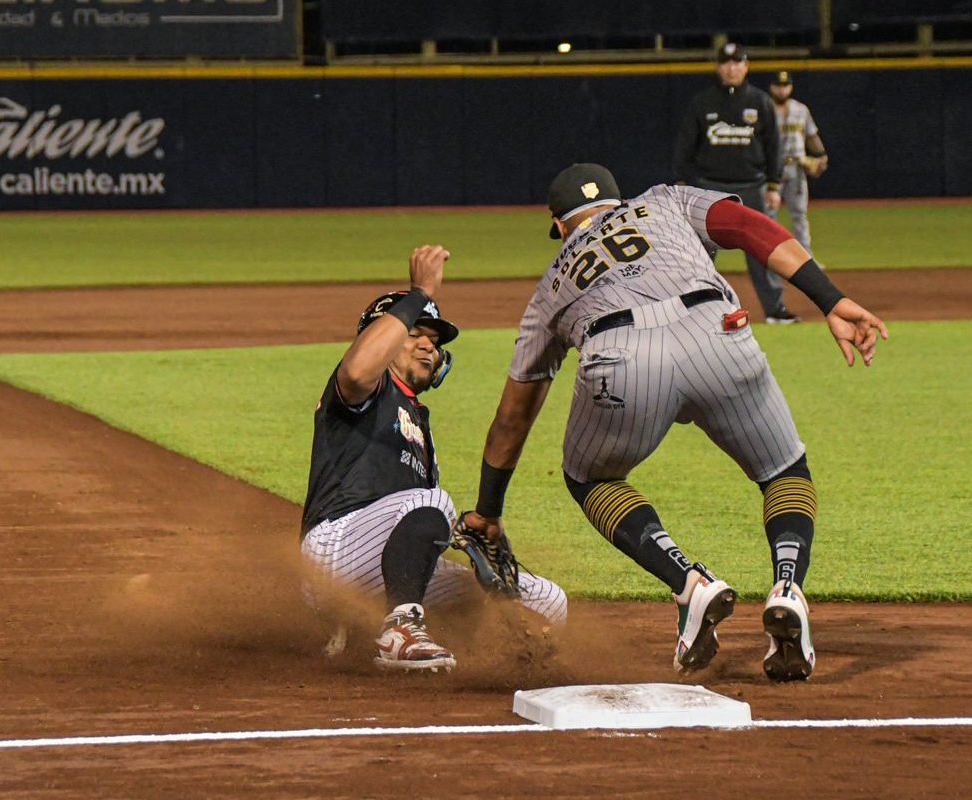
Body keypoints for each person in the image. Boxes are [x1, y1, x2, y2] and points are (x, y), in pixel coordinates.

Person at [461, 164, 887, 682]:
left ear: (559, 225)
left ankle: (690, 583)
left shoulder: (552, 284)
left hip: (618, 358)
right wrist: (830, 299)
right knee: (782, 470)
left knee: (589, 478)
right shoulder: (665, 200)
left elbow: (513, 416)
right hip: (717, 332)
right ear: (617, 202)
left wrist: (487, 509)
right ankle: (787, 587)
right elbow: (750, 228)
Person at [299, 245, 567, 673]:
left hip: (380, 561)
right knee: (430, 501)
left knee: (546, 599)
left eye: (435, 341)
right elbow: (355, 372)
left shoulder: (419, 423)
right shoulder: (362, 391)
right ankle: (400, 630)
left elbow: (418, 530)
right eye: (415, 334)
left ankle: (426, 639)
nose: (428, 345)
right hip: (333, 550)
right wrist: (420, 291)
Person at [674, 41, 794, 324]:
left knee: (761, 252)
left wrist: (774, 185)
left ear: (746, 66)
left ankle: (775, 309)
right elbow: (686, 145)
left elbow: (773, 147)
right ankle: (691, 312)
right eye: (726, 63)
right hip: (709, 187)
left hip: (751, 187)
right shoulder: (702, 103)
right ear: (718, 67)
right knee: (700, 256)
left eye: (737, 62)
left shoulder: (760, 101)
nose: (731, 68)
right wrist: (680, 179)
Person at [767, 70, 829, 254]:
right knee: (769, 216)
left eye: (785, 85)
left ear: (791, 87)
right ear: (772, 87)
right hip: (772, 169)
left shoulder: (801, 110)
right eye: (778, 85)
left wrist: (822, 155)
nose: (782, 90)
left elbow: (811, 135)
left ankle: (806, 259)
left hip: (797, 166)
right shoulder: (765, 109)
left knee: (800, 214)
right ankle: (771, 257)